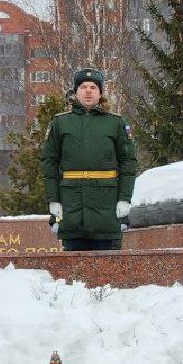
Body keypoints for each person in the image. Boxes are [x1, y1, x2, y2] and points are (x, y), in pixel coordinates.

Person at [40, 68, 139, 251]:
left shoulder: (115, 123)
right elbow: (49, 163)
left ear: (100, 93)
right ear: (75, 92)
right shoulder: (60, 123)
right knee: (73, 267)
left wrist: (124, 199)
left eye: (93, 87)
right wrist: (53, 200)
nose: (88, 91)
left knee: (109, 265)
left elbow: (128, 163)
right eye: (83, 87)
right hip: (71, 203)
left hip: (106, 204)